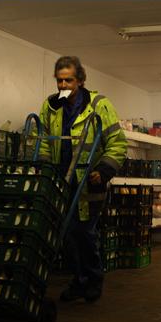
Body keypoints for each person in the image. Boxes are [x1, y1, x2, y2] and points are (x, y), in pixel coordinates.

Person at [39, 56, 127, 303]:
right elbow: (43, 138)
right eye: (60, 80)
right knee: (66, 233)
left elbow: (117, 143)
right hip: (61, 180)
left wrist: (104, 170)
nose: (63, 85)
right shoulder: (51, 106)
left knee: (83, 232)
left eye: (69, 80)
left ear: (80, 80)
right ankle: (78, 281)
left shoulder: (99, 105)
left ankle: (93, 279)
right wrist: (45, 166)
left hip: (89, 181)